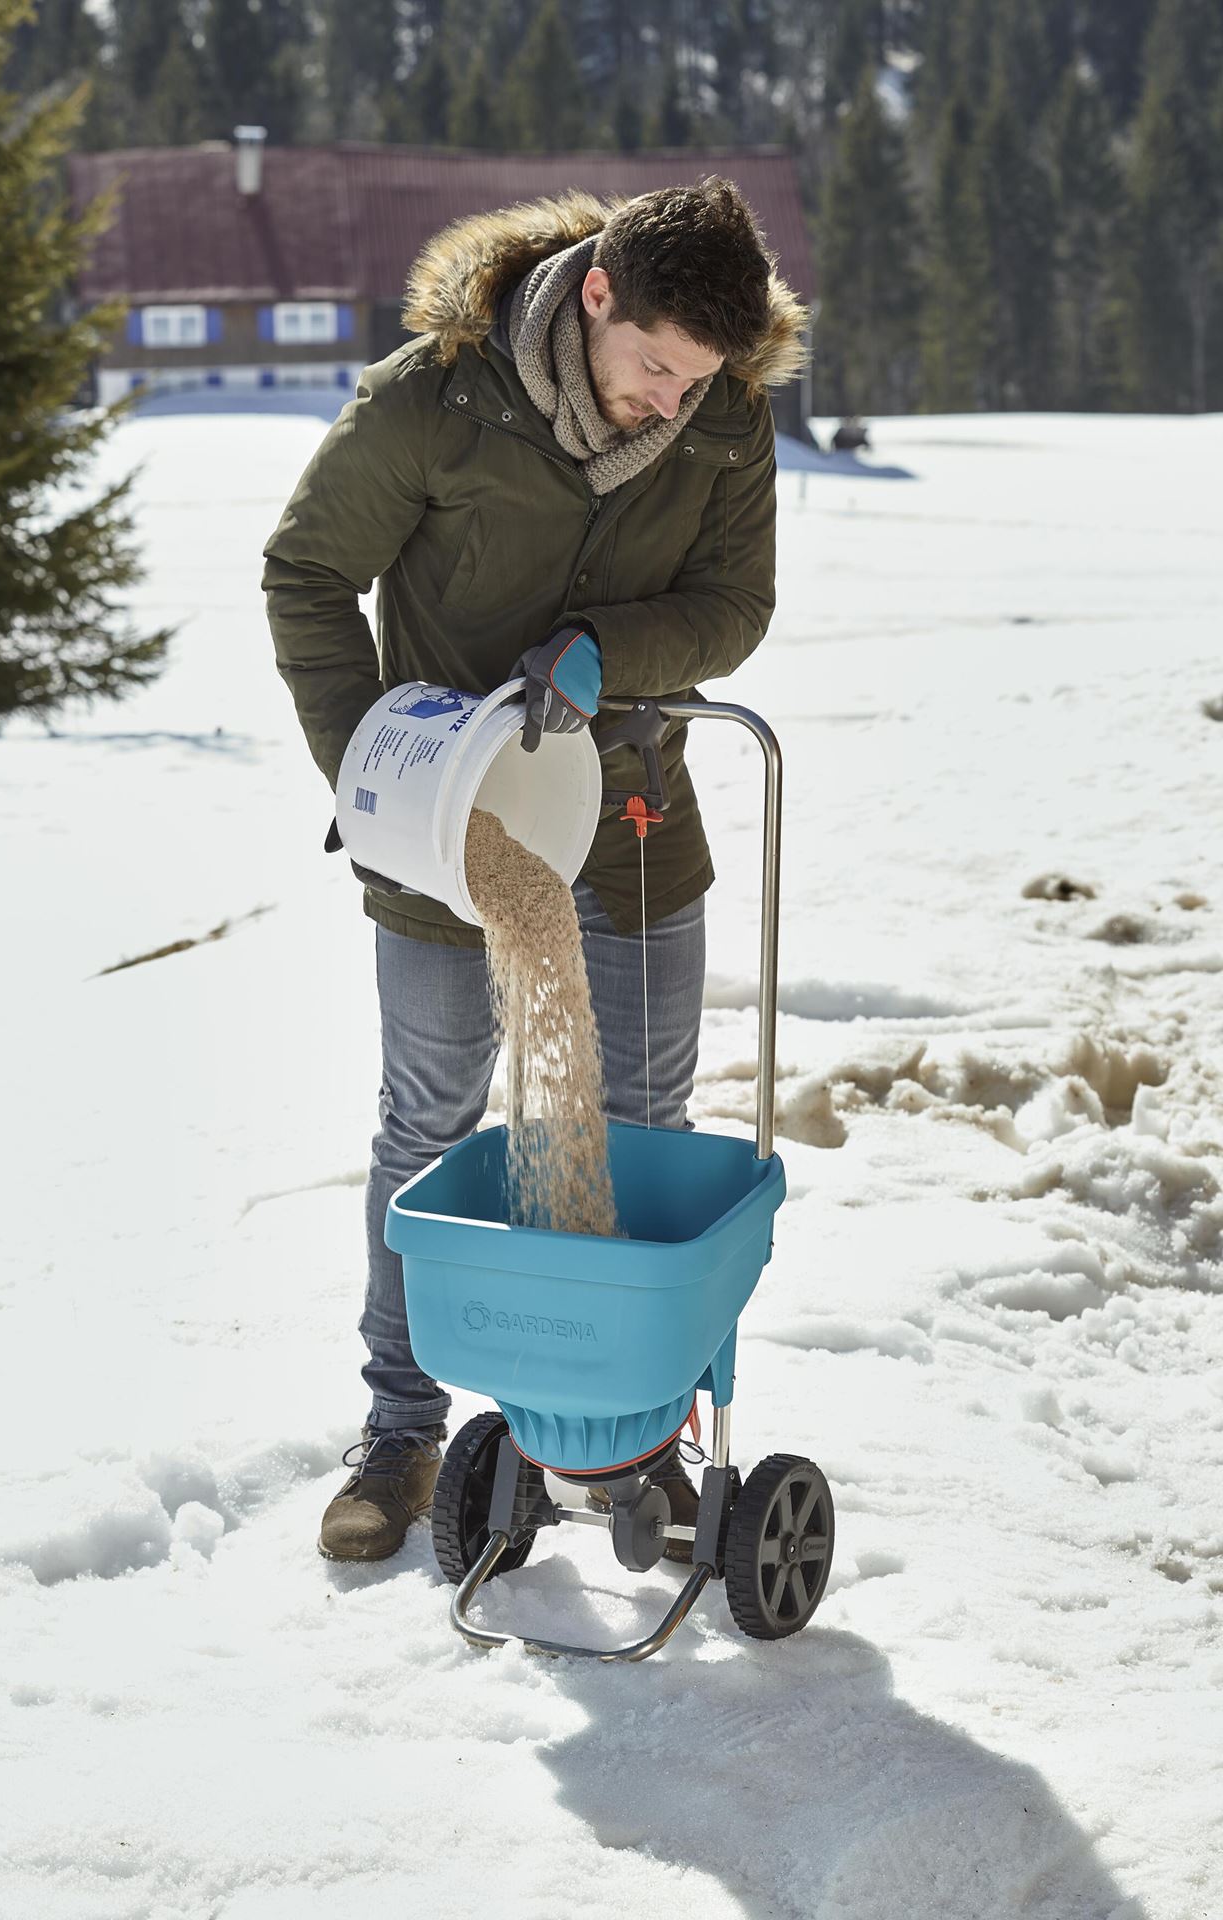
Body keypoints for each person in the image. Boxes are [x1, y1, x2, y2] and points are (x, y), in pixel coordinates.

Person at [262, 176, 806, 1563]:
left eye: (700, 386)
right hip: (454, 837)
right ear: (599, 297)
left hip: (628, 824)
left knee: (633, 1124)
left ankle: (630, 1428)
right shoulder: (437, 397)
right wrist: (375, 765)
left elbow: (734, 606)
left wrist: (606, 653)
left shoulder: (726, 416)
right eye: (655, 373)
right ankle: (401, 1429)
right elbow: (306, 570)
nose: (673, 406)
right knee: (434, 1123)